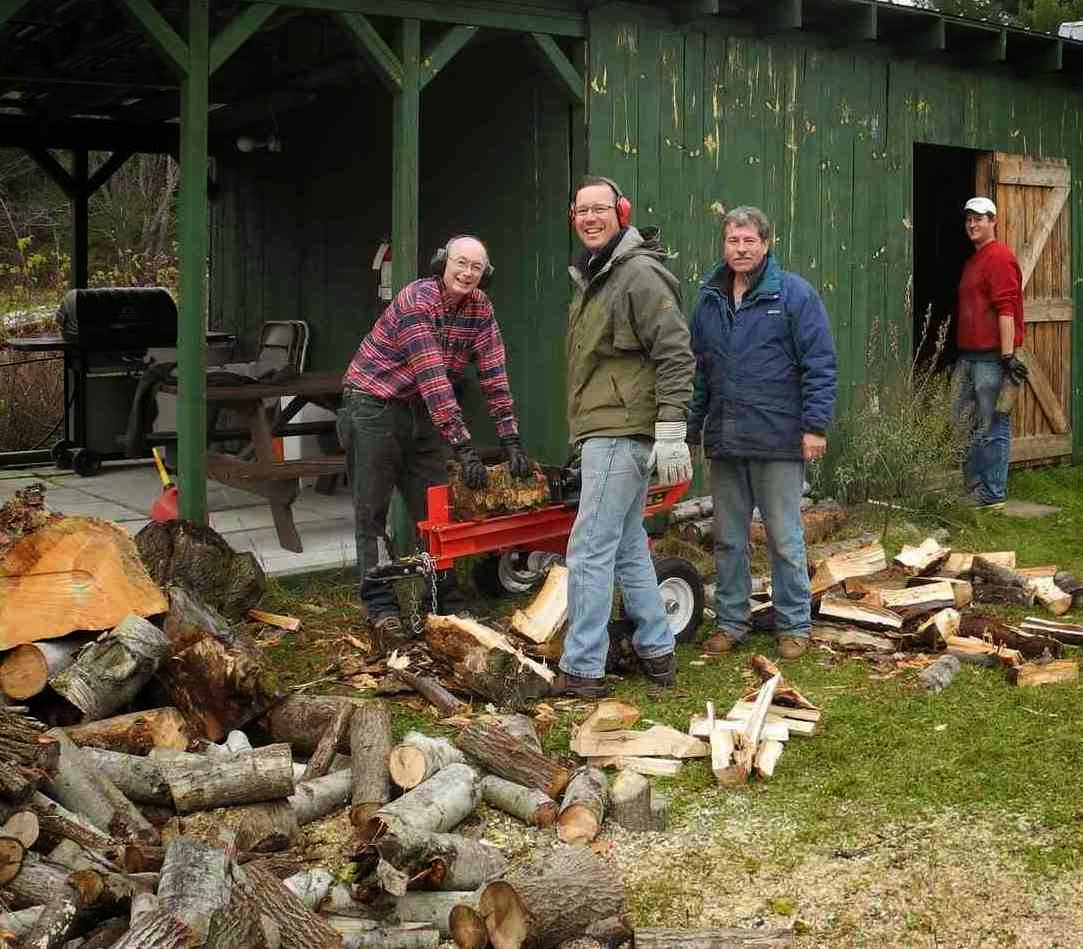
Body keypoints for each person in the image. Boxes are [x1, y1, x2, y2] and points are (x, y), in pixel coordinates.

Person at [338, 235, 532, 649]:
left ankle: (444, 600)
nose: (467, 273)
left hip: (421, 412)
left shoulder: (481, 309)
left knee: (436, 510)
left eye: (476, 267)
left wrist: (510, 437)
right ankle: (380, 607)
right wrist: (463, 447)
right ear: (442, 263)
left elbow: (494, 374)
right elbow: (434, 380)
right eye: (460, 263)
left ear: (485, 274)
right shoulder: (417, 300)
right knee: (371, 512)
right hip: (373, 404)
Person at [552, 175, 696, 699]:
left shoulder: (638, 273)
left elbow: (675, 351)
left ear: (622, 213)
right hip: (605, 426)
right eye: (582, 211)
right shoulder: (597, 275)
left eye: (600, 209)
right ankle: (657, 649)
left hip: (620, 430)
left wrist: (672, 428)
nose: (590, 218)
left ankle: (583, 667)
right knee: (627, 546)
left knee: (589, 548)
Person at [688, 206, 837, 661]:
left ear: (766, 244)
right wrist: (690, 431)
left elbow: (820, 364)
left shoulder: (793, 295)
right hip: (727, 439)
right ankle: (731, 621)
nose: (741, 249)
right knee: (728, 539)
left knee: (784, 539)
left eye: (749, 241)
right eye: (733, 241)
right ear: (723, 245)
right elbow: (699, 373)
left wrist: (814, 427)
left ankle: (794, 625)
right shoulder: (710, 300)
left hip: (777, 438)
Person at [953, 196, 1026, 510]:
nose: (972, 224)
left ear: (993, 221)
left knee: (992, 426)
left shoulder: (999, 257)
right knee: (964, 424)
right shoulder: (973, 261)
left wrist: (1007, 357)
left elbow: (1006, 309)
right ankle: (973, 489)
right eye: (969, 219)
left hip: (991, 358)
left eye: (979, 218)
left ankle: (993, 494)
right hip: (968, 356)